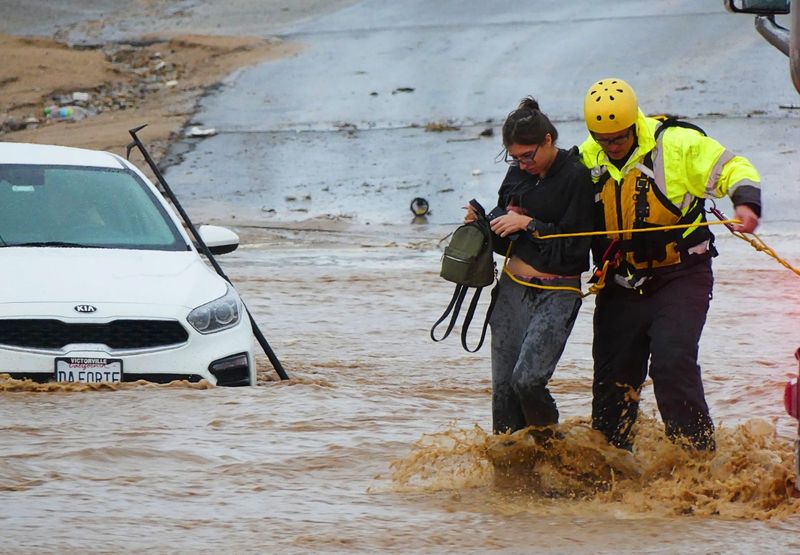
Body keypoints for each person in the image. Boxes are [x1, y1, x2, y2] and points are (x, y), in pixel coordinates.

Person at [578, 77, 761, 451]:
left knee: (671, 364)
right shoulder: (588, 155)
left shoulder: (676, 145)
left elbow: (734, 167)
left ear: (634, 125)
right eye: (603, 139)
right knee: (612, 382)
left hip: (681, 277)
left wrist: (746, 203)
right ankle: (613, 469)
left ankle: (695, 461)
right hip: (621, 285)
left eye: (618, 138)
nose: (611, 147)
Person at [465, 97, 594, 440]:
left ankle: (553, 451)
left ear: (548, 141)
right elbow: (507, 243)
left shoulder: (577, 176)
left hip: (558, 294)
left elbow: (575, 249)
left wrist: (528, 224)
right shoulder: (515, 177)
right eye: (515, 157)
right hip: (510, 292)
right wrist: (483, 226)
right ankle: (512, 480)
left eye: (528, 156)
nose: (522, 165)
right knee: (503, 396)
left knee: (528, 381)